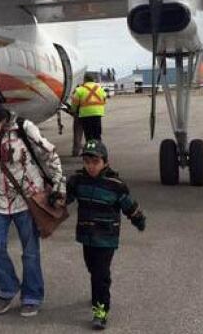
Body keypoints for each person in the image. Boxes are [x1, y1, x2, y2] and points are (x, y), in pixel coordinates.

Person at [0, 98, 66, 318]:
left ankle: (32, 296)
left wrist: (59, 186)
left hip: (27, 198)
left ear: (3, 120)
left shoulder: (24, 128)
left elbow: (49, 154)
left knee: (30, 252)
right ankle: (8, 287)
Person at [66, 139, 146, 330]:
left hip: (106, 237)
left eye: (95, 162)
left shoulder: (115, 185)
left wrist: (138, 219)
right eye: (87, 162)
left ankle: (100, 311)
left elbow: (129, 205)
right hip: (87, 236)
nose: (91, 167)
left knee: (99, 275)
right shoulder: (78, 181)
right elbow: (66, 197)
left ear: (105, 162)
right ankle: (102, 285)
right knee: (93, 269)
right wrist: (55, 198)